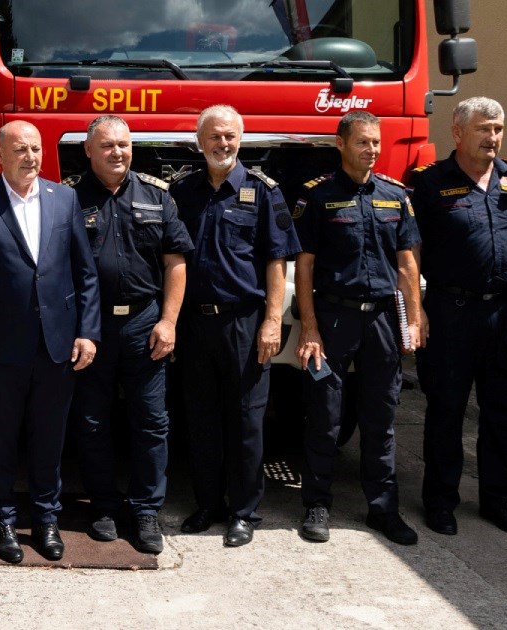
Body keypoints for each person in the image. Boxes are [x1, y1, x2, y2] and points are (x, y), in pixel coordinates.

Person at [0, 120, 101, 563]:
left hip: (57, 348)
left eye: (35, 149)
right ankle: (1, 518)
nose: (30, 157)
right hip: (0, 352)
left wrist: (88, 332)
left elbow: (85, 273)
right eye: (20, 149)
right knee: (1, 440)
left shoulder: (65, 199)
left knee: (49, 440)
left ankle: (46, 518)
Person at [170, 105, 300, 547]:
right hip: (193, 324)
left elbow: (276, 261)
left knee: (246, 421)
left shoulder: (264, 191)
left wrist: (272, 322)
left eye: (229, 137)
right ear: (199, 140)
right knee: (200, 418)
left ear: (240, 140)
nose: (222, 144)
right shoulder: (182, 191)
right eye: (214, 137)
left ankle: (243, 512)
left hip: (245, 323)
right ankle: (208, 504)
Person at [293, 110, 423, 546]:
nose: (371, 150)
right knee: (325, 416)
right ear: (341, 144)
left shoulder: (395, 196)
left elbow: (406, 264)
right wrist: (309, 327)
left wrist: (415, 318)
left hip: (384, 319)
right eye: (363, 142)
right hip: (334, 318)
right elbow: (305, 266)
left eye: (375, 142)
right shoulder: (317, 196)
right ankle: (316, 504)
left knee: (380, 417)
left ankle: (382, 509)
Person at [410, 97, 507, 536]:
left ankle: (495, 499)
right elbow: (410, 251)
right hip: (451, 312)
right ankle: (441, 500)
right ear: (459, 132)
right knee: (446, 410)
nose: (493, 137)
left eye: (499, 128)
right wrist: (416, 310)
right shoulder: (429, 183)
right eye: (484, 129)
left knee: (502, 414)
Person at [66, 115, 191, 555]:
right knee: (92, 421)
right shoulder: (67, 197)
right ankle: (102, 505)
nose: (117, 152)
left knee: (151, 421)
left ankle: (144, 511)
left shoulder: (157, 195)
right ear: (88, 150)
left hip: (144, 322)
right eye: (107, 146)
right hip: (92, 328)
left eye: (124, 144)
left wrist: (169, 321)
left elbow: (175, 262)